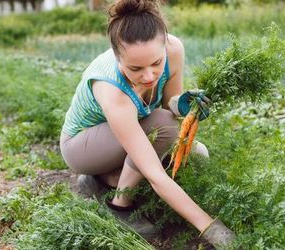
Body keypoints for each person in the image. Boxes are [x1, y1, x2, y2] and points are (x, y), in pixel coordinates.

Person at [59, 0, 235, 247]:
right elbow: (155, 174)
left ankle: (102, 180)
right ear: (117, 57)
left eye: (155, 63)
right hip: (83, 146)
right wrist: (213, 229)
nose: (149, 76)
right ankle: (119, 205)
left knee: (197, 154)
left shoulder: (173, 49)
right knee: (163, 129)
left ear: (164, 43)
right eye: (135, 68)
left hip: (125, 134)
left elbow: (168, 105)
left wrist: (181, 105)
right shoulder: (112, 90)